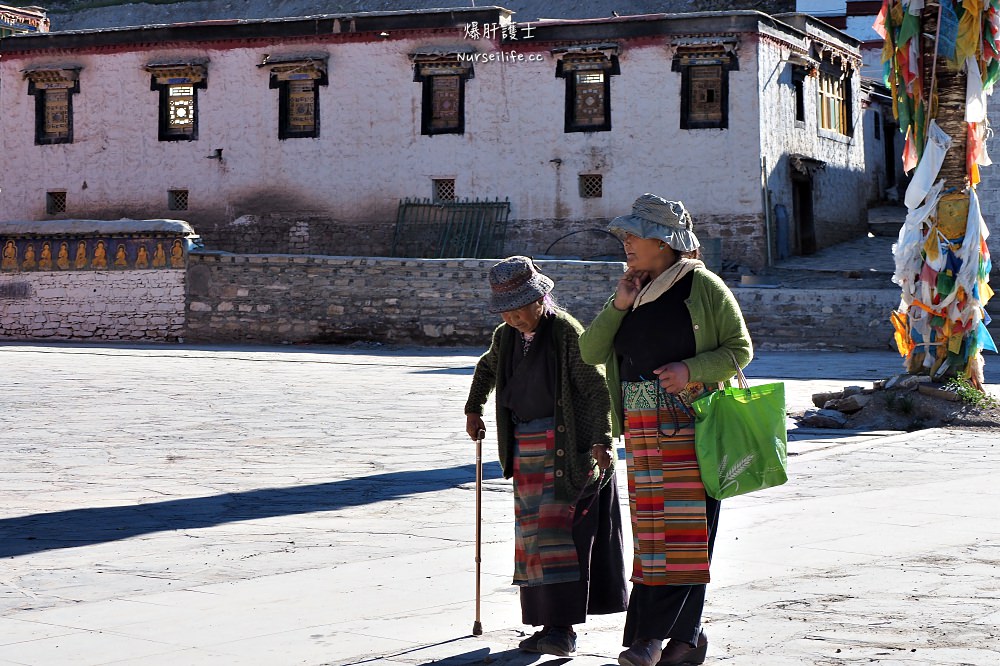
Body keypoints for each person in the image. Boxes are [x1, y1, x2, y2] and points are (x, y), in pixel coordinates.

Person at [579, 194, 753, 666]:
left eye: (635, 235)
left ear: (665, 242)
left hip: (692, 423)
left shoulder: (704, 287)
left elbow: (740, 349)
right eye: (626, 236)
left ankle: (650, 640)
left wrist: (690, 369)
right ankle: (685, 640)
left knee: (688, 536)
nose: (627, 243)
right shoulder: (633, 290)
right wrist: (618, 305)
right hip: (641, 427)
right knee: (655, 537)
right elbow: (591, 351)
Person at [464, 255, 628, 657]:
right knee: (532, 542)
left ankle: (563, 629)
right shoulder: (506, 337)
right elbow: (487, 369)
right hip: (525, 449)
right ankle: (544, 624)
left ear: (541, 299)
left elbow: (594, 388)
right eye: (508, 310)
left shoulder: (566, 333)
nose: (516, 317)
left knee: (559, 538)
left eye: (522, 308)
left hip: (565, 452)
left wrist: (601, 441)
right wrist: (474, 408)